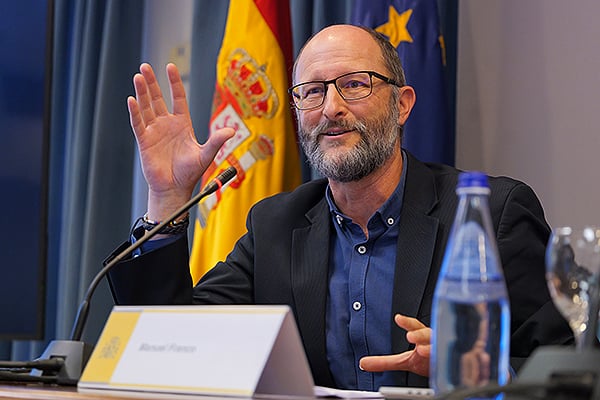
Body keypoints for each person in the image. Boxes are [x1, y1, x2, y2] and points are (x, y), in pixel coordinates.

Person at [108, 24, 572, 390]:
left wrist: (480, 369)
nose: (330, 107)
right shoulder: (275, 225)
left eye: (354, 84)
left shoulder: (492, 214)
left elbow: (567, 369)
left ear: (402, 104)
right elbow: (173, 344)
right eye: (311, 91)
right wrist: (167, 197)